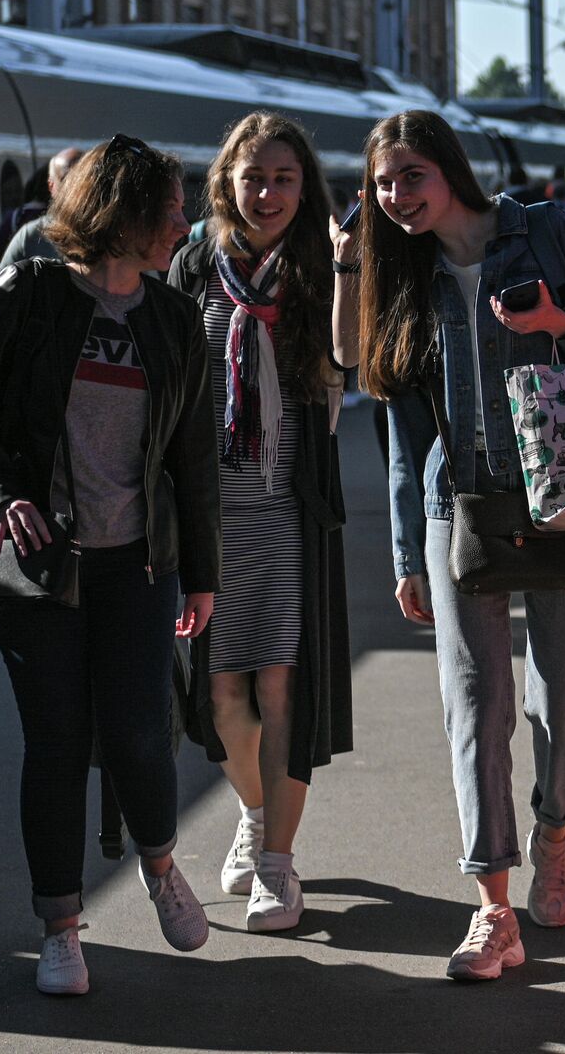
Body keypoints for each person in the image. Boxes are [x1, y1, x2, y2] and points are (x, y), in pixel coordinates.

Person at [330, 109, 565, 981]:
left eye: (409, 178)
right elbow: (396, 427)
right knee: (474, 708)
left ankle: (554, 830)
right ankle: (492, 910)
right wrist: (403, 553)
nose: (395, 198)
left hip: (563, 496)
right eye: (382, 184)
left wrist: (555, 325)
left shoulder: (545, 234)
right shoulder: (404, 275)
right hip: (453, 504)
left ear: (448, 170)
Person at [0, 134, 219, 996]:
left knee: (140, 730)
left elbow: (192, 456)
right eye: (169, 208)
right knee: (56, 742)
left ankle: (162, 866)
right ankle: (61, 926)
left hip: (139, 564)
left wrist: (200, 572)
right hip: (40, 564)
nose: (184, 222)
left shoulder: (172, 318)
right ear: (124, 213)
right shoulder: (32, 295)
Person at [165, 112, 353, 934]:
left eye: (283, 178)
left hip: (286, 513)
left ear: (305, 187)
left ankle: (278, 862)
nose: (267, 193)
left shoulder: (321, 268)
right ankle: (252, 813)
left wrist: (350, 275)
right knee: (216, 696)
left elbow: (352, 366)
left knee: (281, 686)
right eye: (253, 178)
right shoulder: (193, 266)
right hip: (206, 518)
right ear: (227, 182)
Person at [0, 146, 85, 269]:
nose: (76, 187)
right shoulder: (30, 237)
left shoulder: (110, 235)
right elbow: (2, 284)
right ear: (51, 186)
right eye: (66, 180)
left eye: (84, 179)